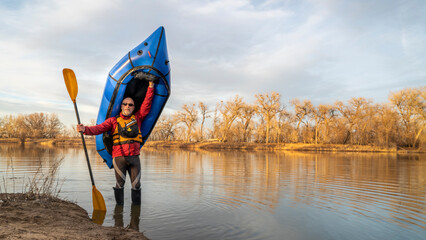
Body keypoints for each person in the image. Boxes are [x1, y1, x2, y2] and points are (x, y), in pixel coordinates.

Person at [76, 79, 155, 205]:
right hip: (119, 158)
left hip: (134, 158)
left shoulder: (138, 118)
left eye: (130, 105)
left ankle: (135, 218)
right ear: (121, 106)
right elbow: (99, 128)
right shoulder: (113, 121)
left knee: (136, 186)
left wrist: (151, 86)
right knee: (119, 185)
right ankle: (118, 217)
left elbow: (147, 104)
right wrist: (85, 129)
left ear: (134, 108)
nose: (127, 106)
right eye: (125, 104)